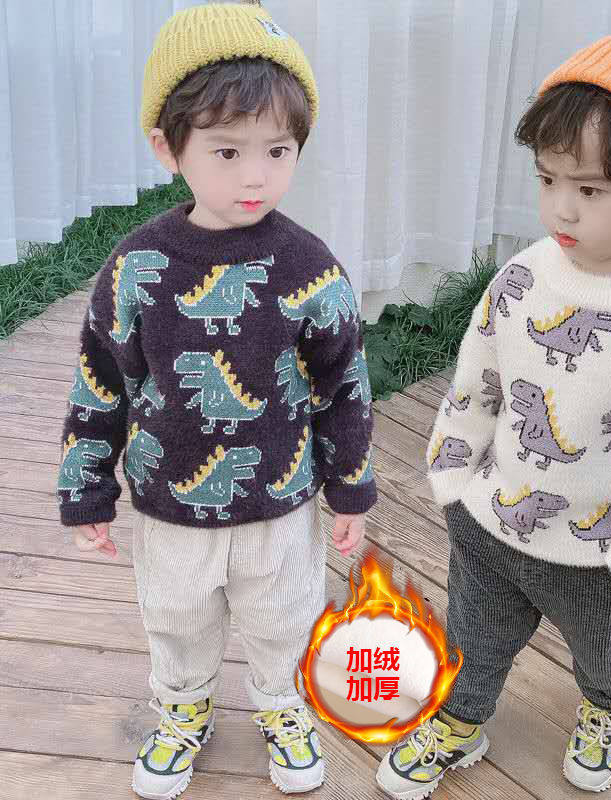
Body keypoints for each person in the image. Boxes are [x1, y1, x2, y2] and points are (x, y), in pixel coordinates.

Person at [377, 3, 611, 796]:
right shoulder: (523, 278)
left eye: (591, 188)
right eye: (547, 179)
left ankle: (609, 710)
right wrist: (454, 474)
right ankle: (460, 719)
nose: (561, 207)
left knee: (604, 657)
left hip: (598, 556)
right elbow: (479, 382)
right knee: (471, 642)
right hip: (491, 521)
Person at [56, 4, 377, 797]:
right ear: (168, 147)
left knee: (285, 618)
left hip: (279, 504)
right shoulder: (136, 267)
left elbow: (343, 384)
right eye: (227, 151)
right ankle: (182, 711)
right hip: (169, 502)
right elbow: (101, 379)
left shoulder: (310, 267)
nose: (255, 176)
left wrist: (350, 486)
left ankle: (282, 707)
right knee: (177, 622)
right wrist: (87, 486)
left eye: (279, 150)